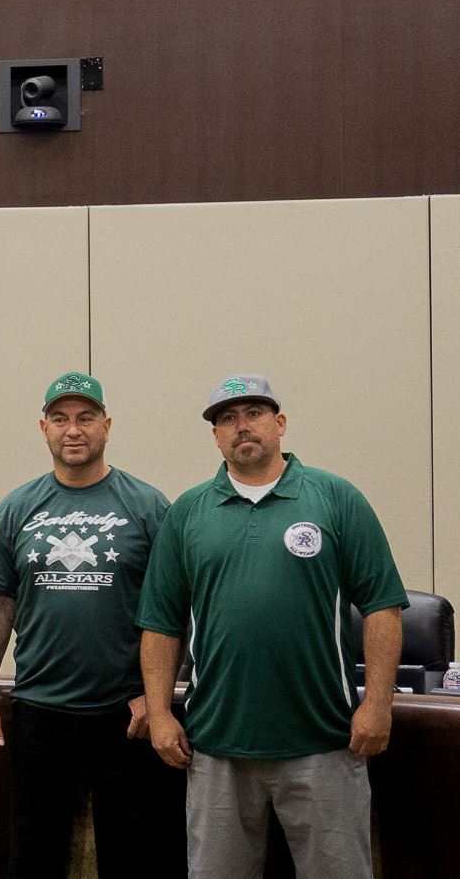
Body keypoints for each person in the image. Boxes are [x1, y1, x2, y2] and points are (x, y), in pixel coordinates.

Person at [139, 374, 407, 879]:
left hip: (325, 739)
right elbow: (160, 623)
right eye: (228, 418)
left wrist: (378, 705)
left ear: (280, 423)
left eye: (254, 413)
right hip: (216, 744)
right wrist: (159, 713)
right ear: (216, 435)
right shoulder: (188, 512)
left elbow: (382, 606)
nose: (242, 426)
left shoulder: (336, 498)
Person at [0, 371, 179, 879]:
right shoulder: (16, 507)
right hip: (40, 707)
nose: (73, 430)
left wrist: (155, 698)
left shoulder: (148, 506)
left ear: (107, 425)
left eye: (86, 418)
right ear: (44, 429)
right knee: (34, 854)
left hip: (126, 711)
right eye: (60, 419)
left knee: (134, 856)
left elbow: (175, 609)